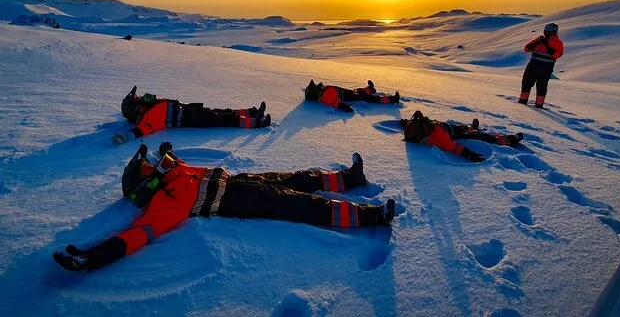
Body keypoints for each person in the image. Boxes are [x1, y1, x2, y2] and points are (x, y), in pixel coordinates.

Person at [53, 143, 396, 271]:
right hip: (239, 201)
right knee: (303, 205)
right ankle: (372, 216)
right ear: (148, 184)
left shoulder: (173, 173)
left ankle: (349, 178)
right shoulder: (164, 204)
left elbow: (172, 160)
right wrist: (93, 257)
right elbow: (137, 235)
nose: (159, 164)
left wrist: (165, 154)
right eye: (150, 167)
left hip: (238, 181)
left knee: (298, 179)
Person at [114, 86, 271, 144]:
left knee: (222, 111)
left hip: (189, 109)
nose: (143, 97)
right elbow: (143, 130)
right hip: (192, 118)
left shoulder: (150, 106)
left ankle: (251, 112)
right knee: (224, 119)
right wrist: (126, 137)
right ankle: (257, 123)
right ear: (136, 108)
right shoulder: (148, 118)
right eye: (139, 99)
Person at [400, 111, 524, 162]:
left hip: (447, 127)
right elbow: (454, 147)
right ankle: (509, 140)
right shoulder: (437, 137)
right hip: (452, 133)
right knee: (479, 136)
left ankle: (470, 128)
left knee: (462, 128)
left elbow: (410, 124)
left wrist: (404, 122)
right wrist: (469, 154)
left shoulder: (417, 126)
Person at [518, 23, 564, 109]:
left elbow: (557, 54)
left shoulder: (558, 42)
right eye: (545, 31)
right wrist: (537, 42)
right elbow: (526, 49)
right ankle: (522, 102)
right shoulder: (540, 39)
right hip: (532, 67)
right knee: (526, 84)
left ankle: (539, 105)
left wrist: (547, 45)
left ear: (554, 32)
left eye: (548, 31)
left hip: (545, 69)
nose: (546, 33)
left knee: (541, 86)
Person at [304, 79, 400, 112]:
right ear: (315, 93)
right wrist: (343, 106)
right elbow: (335, 102)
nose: (317, 85)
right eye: (315, 87)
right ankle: (392, 100)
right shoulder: (325, 97)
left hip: (348, 93)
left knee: (360, 91)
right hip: (350, 97)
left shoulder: (324, 90)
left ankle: (371, 89)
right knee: (370, 98)